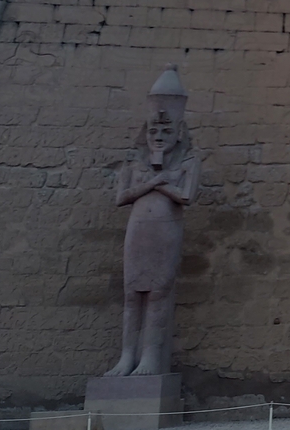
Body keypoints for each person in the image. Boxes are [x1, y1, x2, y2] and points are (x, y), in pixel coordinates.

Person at [107, 65, 199, 377]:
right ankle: (126, 357)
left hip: (165, 230)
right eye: (153, 131)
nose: (159, 137)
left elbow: (186, 196)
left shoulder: (188, 161)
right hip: (138, 229)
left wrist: (156, 182)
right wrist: (154, 182)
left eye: (166, 131)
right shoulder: (134, 162)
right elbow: (122, 197)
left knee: (159, 292)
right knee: (132, 294)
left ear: (179, 133)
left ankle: (150, 359)